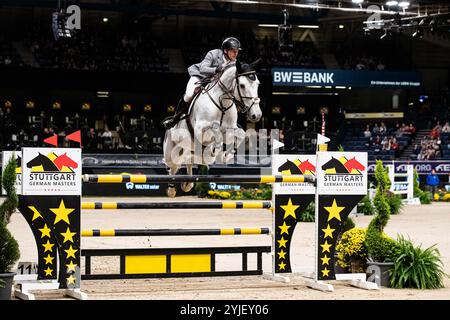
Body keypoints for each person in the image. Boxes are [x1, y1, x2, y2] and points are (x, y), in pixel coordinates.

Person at [162, 37, 241, 129]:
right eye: (233, 51)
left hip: (214, 82)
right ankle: (174, 119)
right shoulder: (213, 54)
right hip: (200, 76)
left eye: (237, 51)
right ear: (225, 51)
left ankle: (231, 123)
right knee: (188, 95)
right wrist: (216, 69)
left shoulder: (234, 63)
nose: (236, 53)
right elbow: (203, 69)